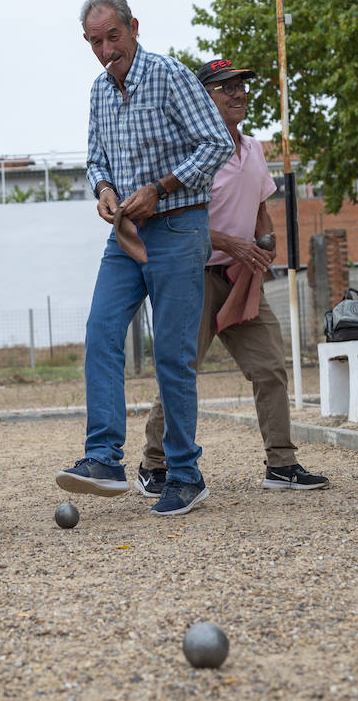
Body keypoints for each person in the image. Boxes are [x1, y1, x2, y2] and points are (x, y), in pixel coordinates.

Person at [56, 0, 235, 516]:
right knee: (101, 331)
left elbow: (216, 143)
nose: (107, 49)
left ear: (134, 27)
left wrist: (162, 186)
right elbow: (95, 158)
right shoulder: (98, 92)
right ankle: (104, 457)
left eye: (114, 36)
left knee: (173, 356)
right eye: (96, 41)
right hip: (126, 232)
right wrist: (104, 189)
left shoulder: (170, 75)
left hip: (179, 226)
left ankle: (184, 473)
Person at [137, 61, 329, 497]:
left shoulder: (253, 148)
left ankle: (281, 463)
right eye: (225, 87)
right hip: (194, 276)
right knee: (180, 370)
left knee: (270, 367)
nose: (237, 93)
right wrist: (232, 243)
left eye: (241, 86)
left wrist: (265, 237)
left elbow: (261, 200)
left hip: (243, 275)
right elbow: (179, 219)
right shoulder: (189, 152)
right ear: (202, 96)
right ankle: (154, 465)